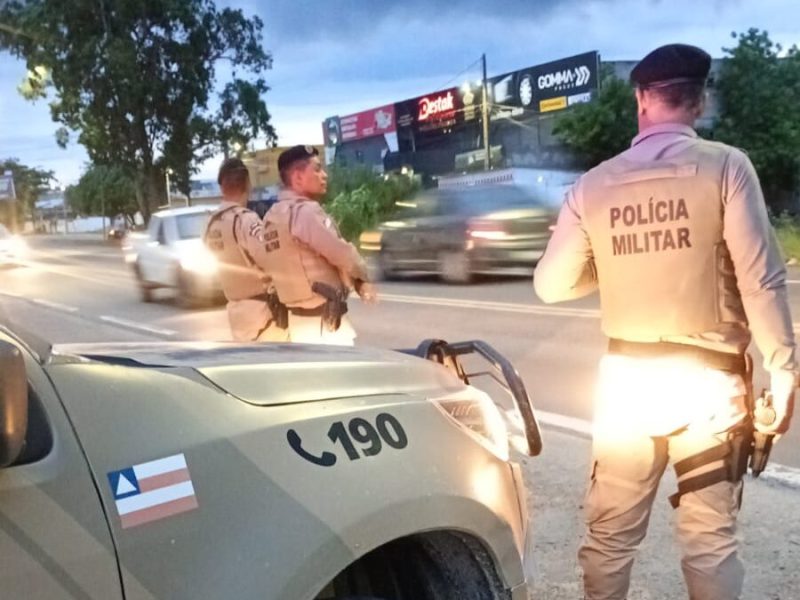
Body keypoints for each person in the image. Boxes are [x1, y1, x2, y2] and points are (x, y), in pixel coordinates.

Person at [533, 43, 797, 600]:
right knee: (709, 541)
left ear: (641, 101)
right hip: (710, 388)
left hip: (627, 386)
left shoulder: (592, 185)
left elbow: (551, 285)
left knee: (609, 538)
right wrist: (784, 372)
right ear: (699, 102)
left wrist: (614, 261)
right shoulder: (726, 166)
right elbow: (761, 281)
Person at [261, 145, 376, 345]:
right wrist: (363, 278)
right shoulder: (305, 212)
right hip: (325, 326)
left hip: (297, 323)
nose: (324, 175)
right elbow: (342, 254)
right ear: (298, 178)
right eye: (317, 169)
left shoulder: (272, 218)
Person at [203, 157, 289, 342]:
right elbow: (269, 258)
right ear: (248, 185)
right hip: (263, 314)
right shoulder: (245, 220)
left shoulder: (211, 224)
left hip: (236, 313)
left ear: (221, 188)